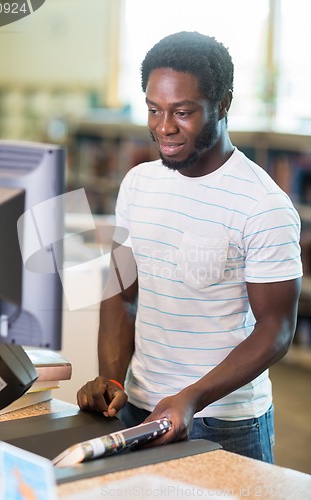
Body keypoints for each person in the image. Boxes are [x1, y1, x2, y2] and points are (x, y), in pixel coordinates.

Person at [77, 31, 302, 463]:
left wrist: (192, 397)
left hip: (224, 421)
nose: (164, 127)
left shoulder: (264, 205)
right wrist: (112, 381)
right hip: (138, 408)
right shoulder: (138, 183)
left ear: (223, 104)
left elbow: (276, 329)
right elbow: (122, 295)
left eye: (182, 112)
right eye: (154, 110)